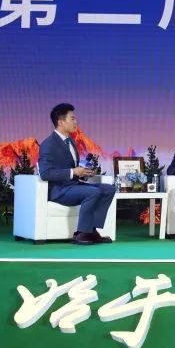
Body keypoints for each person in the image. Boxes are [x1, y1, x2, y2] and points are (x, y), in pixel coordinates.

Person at [37, 103, 116, 245]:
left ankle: (91, 230)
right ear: (61, 122)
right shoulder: (48, 144)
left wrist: (83, 173)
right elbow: (45, 173)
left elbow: (71, 169)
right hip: (59, 190)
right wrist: (73, 172)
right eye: (72, 118)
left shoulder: (71, 142)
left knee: (109, 189)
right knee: (93, 192)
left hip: (73, 186)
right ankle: (81, 233)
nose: (76, 122)